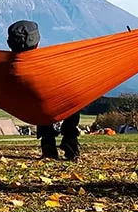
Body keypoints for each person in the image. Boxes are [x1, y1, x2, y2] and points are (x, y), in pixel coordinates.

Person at [6, 20, 81, 161]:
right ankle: (70, 139)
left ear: (9, 43)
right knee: (75, 96)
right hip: (53, 102)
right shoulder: (47, 64)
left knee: (38, 99)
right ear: (36, 42)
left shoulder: (1, 67)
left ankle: (48, 143)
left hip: (31, 107)